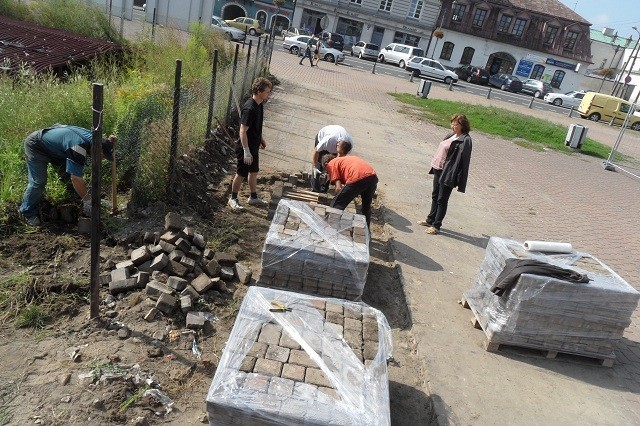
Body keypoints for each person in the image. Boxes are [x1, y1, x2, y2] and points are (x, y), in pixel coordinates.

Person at [18, 124, 116, 226]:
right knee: (38, 181)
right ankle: (26, 212)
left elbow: (107, 142)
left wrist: (111, 141)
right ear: (97, 150)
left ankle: (79, 198)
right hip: (36, 146)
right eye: (102, 156)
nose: (102, 159)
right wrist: (87, 201)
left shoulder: (96, 138)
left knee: (68, 174)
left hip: (57, 147)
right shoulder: (78, 147)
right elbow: (76, 178)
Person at [418, 114, 472, 235]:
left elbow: (463, 161)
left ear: (463, 126)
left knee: (442, 199)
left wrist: (458, 178)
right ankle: (430, 219)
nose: (453, 126)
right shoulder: (451, 136)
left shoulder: (465, 140)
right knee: (435, 195)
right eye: (452, 123)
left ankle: (436, 225)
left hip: (447, 173)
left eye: (456, 124)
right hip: (438, 169)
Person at [228, 76, 273, 210]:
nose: (268, 94)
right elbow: (243, 131)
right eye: (267, 92)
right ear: (259, 91)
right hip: (245, 148)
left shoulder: (260, 105)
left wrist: (261, 138)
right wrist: (246, 150)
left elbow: (256, 127)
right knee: (241, 173)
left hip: (254, 146)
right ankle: (233, 198)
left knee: (254, 172)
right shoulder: (250, 109)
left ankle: (253, 197)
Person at [321, 141, 378, 228]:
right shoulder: (347, 159)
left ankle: (330, 230)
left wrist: (338, 196)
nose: (328, 173)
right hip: (372, 177)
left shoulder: (331, 164)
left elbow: (338, 187)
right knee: (366, 207)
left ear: (326, 164)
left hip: (358, 177)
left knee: (336, 205)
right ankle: (367, 233)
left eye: (327, 171)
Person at [311, 124, 354, 192]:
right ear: (337, 144)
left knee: (331, 166)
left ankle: (325, 187)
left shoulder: (349, 145)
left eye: (341, 153)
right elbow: (316, 151)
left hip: (335, 141)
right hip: (323, 137)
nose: (339, 154)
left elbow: (342, 160)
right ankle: (315, 188)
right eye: (339, 152)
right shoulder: (328, 140)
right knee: (319, 165)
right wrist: (314, 166)